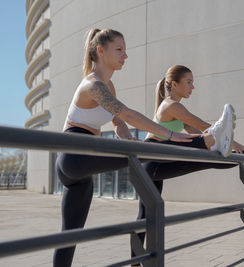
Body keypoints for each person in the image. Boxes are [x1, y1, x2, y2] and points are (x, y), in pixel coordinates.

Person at [53, 29, 234, 267]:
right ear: (100, 50)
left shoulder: (108, 86)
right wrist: (168, 134)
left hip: (82, 167)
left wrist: (131, 142)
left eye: (125, 50)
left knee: (70, 236)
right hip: (76, 152)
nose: (125, 55)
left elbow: (119, 123)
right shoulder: (92, 85)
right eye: (119, 49)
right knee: (152, 150)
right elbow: (127, 114)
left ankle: (216, 147)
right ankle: (207, 141)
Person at [131, 65, 244, 265]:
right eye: (189, 82)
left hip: (154, 163)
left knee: (146, 214)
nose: (193, 87)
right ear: (175, 84)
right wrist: (224, 140)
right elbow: (202, 126)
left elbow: (200, 132)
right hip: (152, 162)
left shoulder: (175, 107)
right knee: (207, 157)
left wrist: (236, 145)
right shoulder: (171, 105)